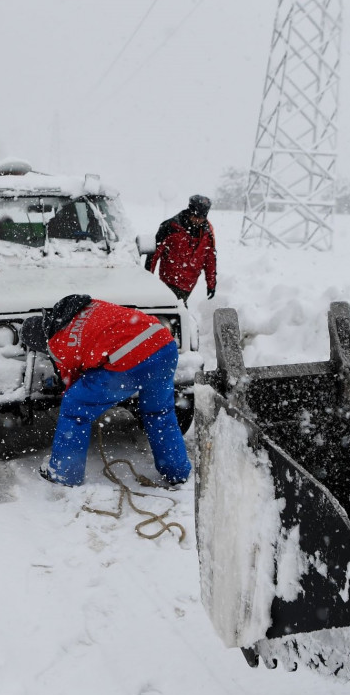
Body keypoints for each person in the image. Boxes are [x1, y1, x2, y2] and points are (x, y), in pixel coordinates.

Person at [20, 294, 192, 488]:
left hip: (131, 360)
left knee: (74, 407)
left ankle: (64, 474)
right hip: (162, 344)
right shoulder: (85, 307)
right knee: (159, 412)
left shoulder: (57, 343)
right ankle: (177, 472)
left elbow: (72, 380)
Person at [145, 194, 217, 304]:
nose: (198, 220)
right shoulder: (170, 227)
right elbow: (153, 255)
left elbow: (210, 259)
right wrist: (147, 279)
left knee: (178, 310)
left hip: (189, 284)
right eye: (196, 216)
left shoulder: (208, 233)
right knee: (174, 312)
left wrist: (211, 284)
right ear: (189, 211)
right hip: (169, 281)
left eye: (201, 218)